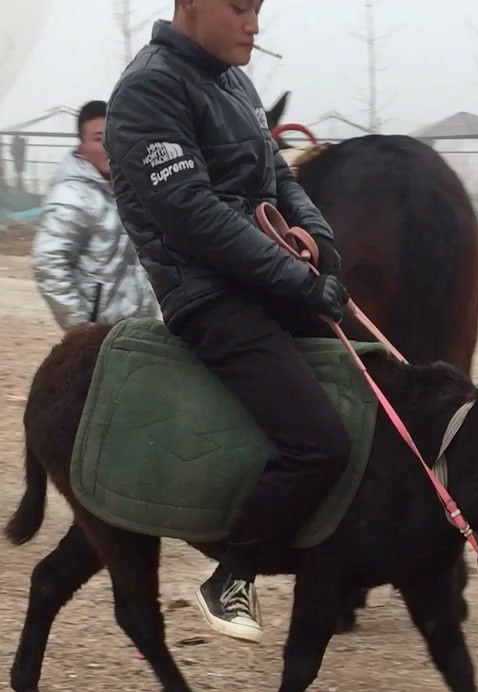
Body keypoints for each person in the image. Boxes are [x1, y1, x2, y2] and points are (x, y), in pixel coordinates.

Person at [105, 1, 350, 644]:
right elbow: (195, 217)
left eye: (259, 7)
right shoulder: (147, 90)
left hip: (263, 280)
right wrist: (301, 281)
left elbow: (278, 180)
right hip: (210, 300)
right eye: (239, 6)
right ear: (190, 3)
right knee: (319, 442)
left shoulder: (234, 81)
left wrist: (321, 243)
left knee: (369, 383)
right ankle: (232, 572)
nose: (254, 24)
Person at [33, 100, 158, 331]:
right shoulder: (71, 196)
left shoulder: (130, 188)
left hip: (139, 327)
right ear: (81, 146)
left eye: (111, 136)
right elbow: (48, 263)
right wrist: (80, 327)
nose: (108, 146)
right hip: (99, 335)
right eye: (98, 139)